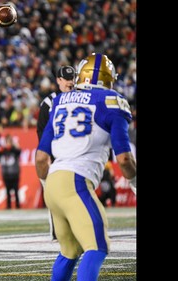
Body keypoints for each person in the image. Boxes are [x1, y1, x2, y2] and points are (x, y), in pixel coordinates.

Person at [35, 53, 136, 281]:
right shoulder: (112, 102)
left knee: (69, 252)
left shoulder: (60, 101)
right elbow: (124, 159)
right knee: (97, 245)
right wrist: (135, 181)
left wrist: (46, 183)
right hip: (76, 181)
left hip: (53, 182)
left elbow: (41, 157)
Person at [37, 65, 75, 241]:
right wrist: (47, 156)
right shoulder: (49, 103)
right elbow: (42, 132)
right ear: (58, 80)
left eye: (72, 78)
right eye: (66, 78)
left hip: (75, 155)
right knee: (53, 197)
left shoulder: (81, 98)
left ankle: (77, 229)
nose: (70, 82)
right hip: (55, 156)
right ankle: (57, 234)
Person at [0, 134, 21, 209]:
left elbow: (19, 151)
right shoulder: (3, 150)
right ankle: (8, 206)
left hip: (14, 173)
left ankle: (17, 205)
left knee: (16, 191)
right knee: (7, 191)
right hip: (6, 174)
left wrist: (14, 144)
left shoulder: (14, 150)